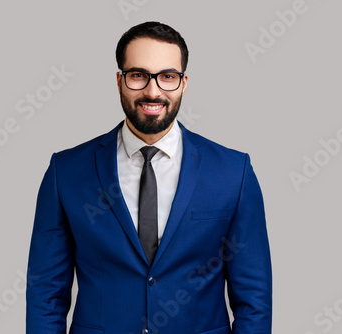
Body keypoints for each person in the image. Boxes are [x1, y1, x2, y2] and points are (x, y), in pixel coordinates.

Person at [26, 21, 272, 334]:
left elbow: (254, 298)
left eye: (167, 76)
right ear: (119, 81)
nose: (153, 91)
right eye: (138, 75)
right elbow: (45, 293)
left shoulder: (233, 172)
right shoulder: (67, 172)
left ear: (184, 83)